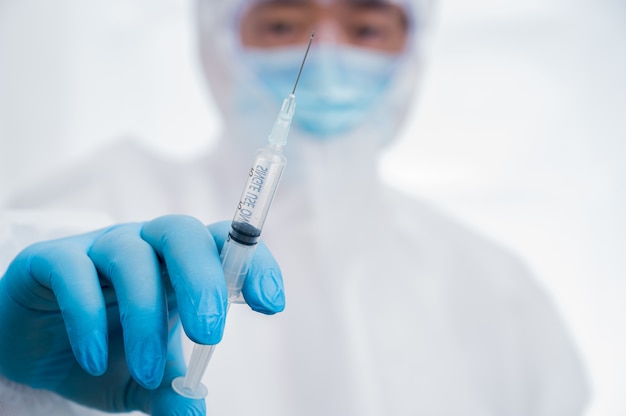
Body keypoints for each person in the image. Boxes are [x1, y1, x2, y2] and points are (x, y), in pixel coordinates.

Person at [0, 0, 589, 415]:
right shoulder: (93, 204)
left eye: (366, 27)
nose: (327, 58)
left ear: (413, 50)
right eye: (281, 21)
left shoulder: (494, 286)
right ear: (216, 41)